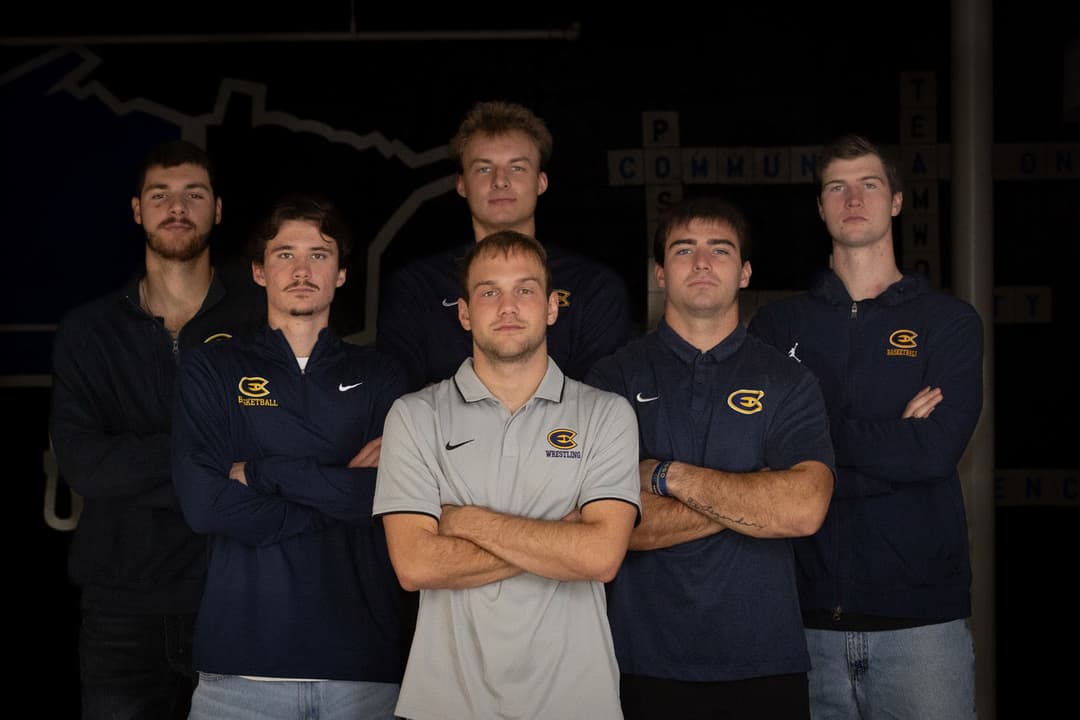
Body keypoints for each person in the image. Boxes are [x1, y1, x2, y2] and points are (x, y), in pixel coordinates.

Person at [748, 134, 983, 719]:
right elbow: (759, 460)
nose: (853, 198)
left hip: (921, 625)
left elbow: (932, 454)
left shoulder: (948, 323)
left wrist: (814, 463)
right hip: (800, 623)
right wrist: (890, 441)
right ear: (821, 207)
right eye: (837, 187)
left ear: (897, 201)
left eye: (869, 184)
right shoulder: (777, 326)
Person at [586, 195, 836, 719]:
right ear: (660, 273)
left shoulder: (787, 380)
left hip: (764, 663)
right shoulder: (613, 379)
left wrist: (664, 475)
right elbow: (606, 529)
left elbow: (805, 509)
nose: (702, 263)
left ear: (744, 273)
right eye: (684, 250)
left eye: (719, 250)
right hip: (639, 661)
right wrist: (757, 495)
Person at [373, 230, 641, 719]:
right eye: (489, 291)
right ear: (464, 312)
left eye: (525, 289)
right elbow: (415, 566)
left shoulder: (607, 414)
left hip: (577, 700)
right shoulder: (414, 416)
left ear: (552, 307)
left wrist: (466, 521)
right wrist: (563, 540)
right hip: (446, 702)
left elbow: (602, 558)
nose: (508, 305)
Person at [171, 193, 410, 719]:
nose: (302, 270)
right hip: (238, 673)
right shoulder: (212, 369)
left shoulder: (382, 376)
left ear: (342, 274)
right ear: (258, 271)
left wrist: (261, 472)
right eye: (284, 254)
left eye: (320, 255)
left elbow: (392, 498)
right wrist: (338, 489)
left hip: (361, 673)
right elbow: (205, 506)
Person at [48, 138, 264, 720]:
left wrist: (147, 463)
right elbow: (85, 464)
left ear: (217, 209)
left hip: (239, 595)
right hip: (122, 608)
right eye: (160, 195)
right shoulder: (88, 331)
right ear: (137, 210)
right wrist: (215, 464)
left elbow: (281, 446)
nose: (177, 207)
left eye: (193, 195)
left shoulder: (259, 317)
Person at [376, 99, 631, 390]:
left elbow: (597, 407)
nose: (500, 181)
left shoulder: (594, 286)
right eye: (484, 169)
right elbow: (401, 403)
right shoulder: (416, 287)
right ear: (461, 184)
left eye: (517, 168)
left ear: (541, 182)